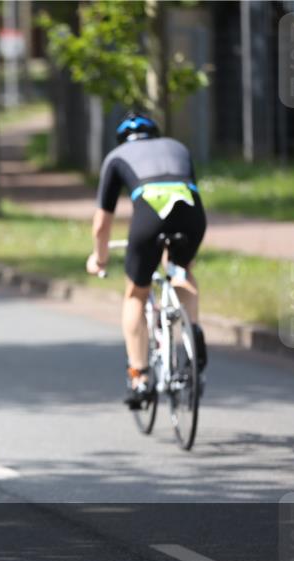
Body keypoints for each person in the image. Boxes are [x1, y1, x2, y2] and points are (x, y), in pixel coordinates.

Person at [86, 111, 208, 409]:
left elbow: (102, 225)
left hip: (149, 218)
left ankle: (139, 376)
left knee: (136, 294)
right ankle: (192, 333)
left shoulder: (116, 157)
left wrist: (99, 259)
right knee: (181, 272)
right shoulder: (178, 147)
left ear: (122, 139)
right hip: (191, 214)